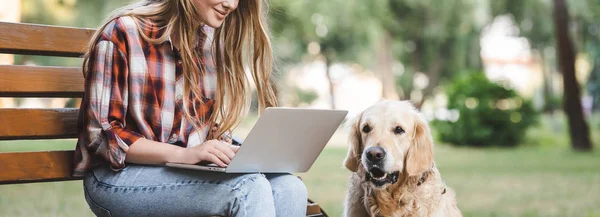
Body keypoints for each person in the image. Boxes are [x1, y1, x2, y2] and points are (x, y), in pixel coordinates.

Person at [72, 0, 308, 216]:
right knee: (248, 188)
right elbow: (103, 137)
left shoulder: (207, 43)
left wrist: (224, 151)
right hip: (115, 178)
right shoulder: (123, 33)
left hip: (178, 170)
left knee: (290, 187)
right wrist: (184, 155)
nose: (232, 4)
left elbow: (201, 126)